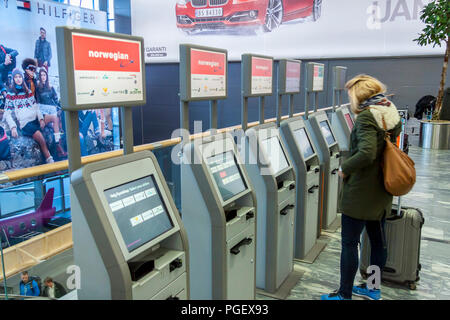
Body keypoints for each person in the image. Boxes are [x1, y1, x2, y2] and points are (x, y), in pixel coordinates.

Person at [321, 75, 402, 301]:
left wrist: (345, 168)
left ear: (360, 95)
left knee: (349, 244)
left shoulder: (367, 117)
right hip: (382, 188)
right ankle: (373, 288)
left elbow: (366, 152)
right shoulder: (390, 110)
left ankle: (344, 294)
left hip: (361, 192)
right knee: (377, 241)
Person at [3, 68, 54, 163]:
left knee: (52, 122)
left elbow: (36, 107)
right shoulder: (10, 94)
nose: (18, 79)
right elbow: (7, 113)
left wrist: (41, 119)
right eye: (16, 77)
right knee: (40, 137)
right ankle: (49, 158)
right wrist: (13, 127)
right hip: (24, 123)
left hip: (34, 120)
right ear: (13, 79)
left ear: (22, 78)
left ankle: (58, 150)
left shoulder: (28, 92)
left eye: (19, 77)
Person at [36, 68, 67, 158]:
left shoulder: (51, 87)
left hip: (53, 112)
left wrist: (59, 109)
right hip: (44, 114)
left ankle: (58, 144)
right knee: (50, 135)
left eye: (44, 75)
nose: (43, 77)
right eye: (41, 75)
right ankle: (58, 145)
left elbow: (56, 100)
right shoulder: (38, 88)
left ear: (47, 76)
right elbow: (37, 104)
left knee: (57, 117)